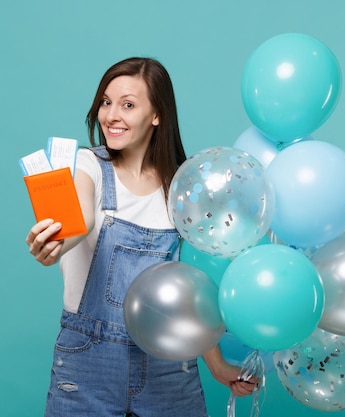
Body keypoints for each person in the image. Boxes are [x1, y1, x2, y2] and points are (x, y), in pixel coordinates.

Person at [26, 57, 255, 417]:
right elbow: (81, 220)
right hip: (89, 361)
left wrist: (216, 364)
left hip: (169, 365)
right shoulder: (89, 166)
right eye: (106, 102)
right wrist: (54, 246)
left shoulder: (183, 189)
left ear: (157, 115)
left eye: (128, 105)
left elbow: (191, 290)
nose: (111, 115)